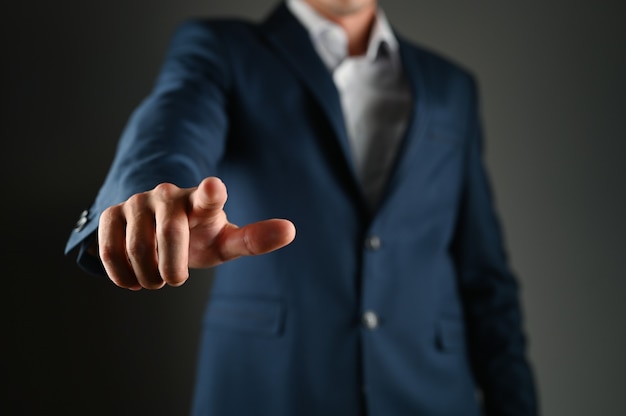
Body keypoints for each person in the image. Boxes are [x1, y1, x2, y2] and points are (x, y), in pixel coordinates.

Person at [66, 0, 538, 414]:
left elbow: (486, 280)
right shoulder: (223, 48)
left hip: (430, 394)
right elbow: (171, 124)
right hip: (271, 390)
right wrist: (150, 191)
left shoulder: (452, 87)